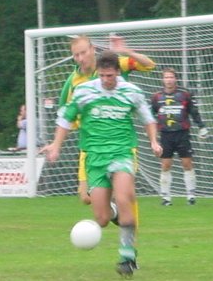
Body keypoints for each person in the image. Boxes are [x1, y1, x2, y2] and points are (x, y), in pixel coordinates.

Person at [41, 51, 162, 277]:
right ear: (98, 72)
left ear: (118, 72)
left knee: (125, 197)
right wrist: (56, 145)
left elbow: (148, 119)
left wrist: (154, 141)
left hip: (121, 153)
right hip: (95, 158)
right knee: (102, 219)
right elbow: (66, 118)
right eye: (103, 75)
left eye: (110, 75)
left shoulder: (130, 92)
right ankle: (115, 212)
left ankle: (128, 257)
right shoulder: (84, 91)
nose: (107, 79)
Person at [58, 35, 155, 205]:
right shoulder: (72, 82)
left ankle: (127, 224)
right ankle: (115, 214)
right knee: (86, 198)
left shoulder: (114, 65)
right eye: (76, 55)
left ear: (92, 50)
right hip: (92, 145)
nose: (80, 58)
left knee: (121, 193)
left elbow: (149, 64)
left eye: (83, 53)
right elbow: (65, 114)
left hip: (119, 141)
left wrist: (125, 51)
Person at [151, 67, 208, 206]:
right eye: (166, 77)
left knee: (187, 163)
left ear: (176, 79)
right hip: (165, 135)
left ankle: (191, 196)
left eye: (171, 77)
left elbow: (194, 112)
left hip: (182, 134)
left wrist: (202, 127)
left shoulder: (185, 95)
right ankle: (166, 198)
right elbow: (149, 115)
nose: (169, 80)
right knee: (165, 165)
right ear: (162, 80)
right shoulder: (157, 97)